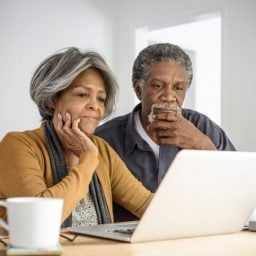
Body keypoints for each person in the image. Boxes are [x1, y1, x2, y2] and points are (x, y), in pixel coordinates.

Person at [0, 47, 153, 227]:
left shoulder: (101, 149)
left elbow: (146, 204)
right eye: (83, 95)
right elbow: (39, 220)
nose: (94, 106)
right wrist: (87, 159)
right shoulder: (18, 145)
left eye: (101, 99)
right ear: (53, 98)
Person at [95, 43, 236, 221]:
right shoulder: (105, 138)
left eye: (178, 88)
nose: (169, 97)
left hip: (195, 235)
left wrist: (202, 145)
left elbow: (239, 188)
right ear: (139, 89)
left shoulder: (203, 127)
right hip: (129, 242)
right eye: (158, 86)